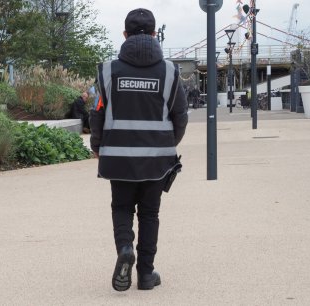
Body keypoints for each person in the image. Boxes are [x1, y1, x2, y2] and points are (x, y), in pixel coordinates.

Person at [89, 8, 188, 292]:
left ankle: (124, 248)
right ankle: (146, 274)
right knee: (149, 214)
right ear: (155, 34)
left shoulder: (107, 70)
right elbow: (180, 116)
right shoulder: (170, 72)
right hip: (156, 161)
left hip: (118, 159)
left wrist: (98, 147)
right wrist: (168, 144)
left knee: (121, 207)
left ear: (124, 35)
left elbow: (96, 113)